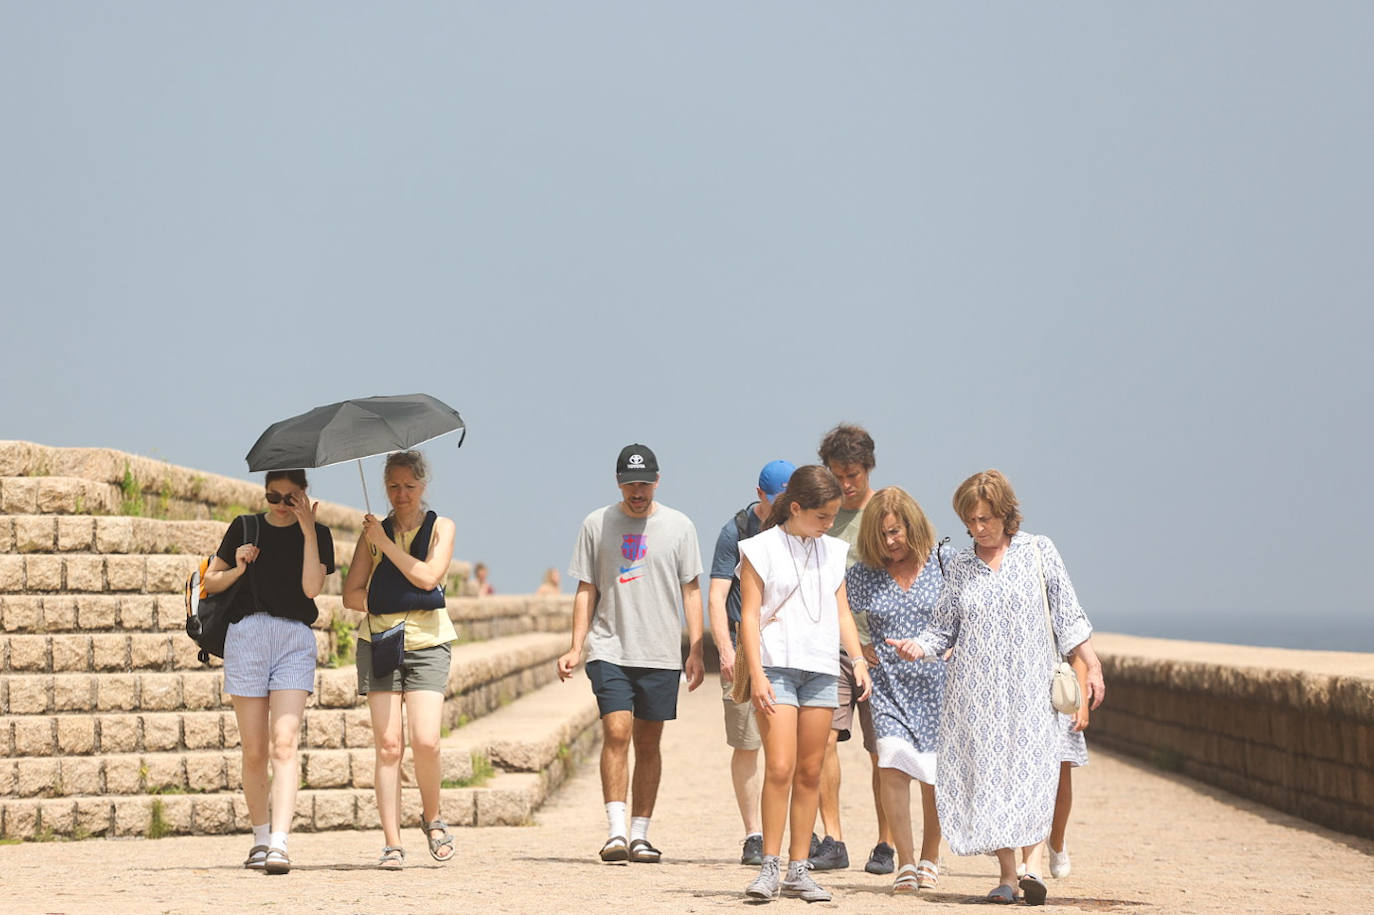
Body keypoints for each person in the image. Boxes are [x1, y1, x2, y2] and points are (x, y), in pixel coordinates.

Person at [887, 470, 1106, 906]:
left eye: (985, 518)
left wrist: (1092, 664)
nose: (978, 528)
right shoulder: (961, 566)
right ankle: (1008, 874)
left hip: (1032, 691)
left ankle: (1033, 867)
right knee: (989, 781)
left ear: (1006, 514)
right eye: (970, 521)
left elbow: (1068, 614)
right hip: (976, 696)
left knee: (1035, 774)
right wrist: (918, 646)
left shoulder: (1039, 551)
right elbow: (942, 629)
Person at [556, 443, 706, 864]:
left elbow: (691, 590)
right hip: (610, 647)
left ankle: (640, 834)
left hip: (660, 652)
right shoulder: (596, 524)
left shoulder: (680, 526)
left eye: (643, 484)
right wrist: (575, 646)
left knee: (649, 741)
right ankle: (616, 832)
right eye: (629, 484)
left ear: (657, 481)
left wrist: (696, 649)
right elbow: (586, 588)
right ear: (618, 483)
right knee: (617, 732)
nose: (636, 492)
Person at [739, 466, 872, 903]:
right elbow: (749, 617)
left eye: (833, 515)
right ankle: (769, 866)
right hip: (776, 667)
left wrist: (857, 660)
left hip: (821, 668)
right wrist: (757, 674)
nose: (829, 523)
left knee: (811, 770)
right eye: (821, 516)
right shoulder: (759, 548)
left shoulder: (833, 551)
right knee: (780, 767)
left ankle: (799, 869)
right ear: (795, 508)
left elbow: (842, 612)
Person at [202, 469, 334, 875]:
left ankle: (280, 842)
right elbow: (210, 581)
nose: (280, 505)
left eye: (290, 498)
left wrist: (308, 530)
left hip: (294, 640)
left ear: (304, 495)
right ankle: (260, 837)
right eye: (272, 497)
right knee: (255, 750)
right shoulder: (245, 527)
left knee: (284, 744)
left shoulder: (320, 534)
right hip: (248, 637)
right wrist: (239, 567)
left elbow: (311, 589)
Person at [342, 450, 458, 870]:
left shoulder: (441, 527)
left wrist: (385, 545)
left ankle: (433, 817)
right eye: (393, 486)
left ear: (423, 485)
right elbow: (351, 595)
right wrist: (388, 596)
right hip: (380, 641)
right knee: (389, 745)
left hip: (429, 642)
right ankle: (392, 842)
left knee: (426, 740)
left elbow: (428, 578)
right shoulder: (372, 534)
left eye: (409, 486)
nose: (401, 494)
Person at [845, 487, 955, 893]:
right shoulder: (863, 574)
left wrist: (954, 644)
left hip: (938, 686)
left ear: (912, 525)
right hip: (888, 686)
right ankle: (906, 862)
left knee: (933, 775)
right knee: (891, 765)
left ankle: (930, 857)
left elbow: (965, 611)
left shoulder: (944, 563)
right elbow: (838, 612)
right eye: (881, 534)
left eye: (895, 531)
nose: (890, 541)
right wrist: (860, 650)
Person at [809, 423, 891, 874]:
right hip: (829, 648)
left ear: (868, 468)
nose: (845, 484)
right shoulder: (820, 515)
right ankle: (833, 838)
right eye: (837, 475)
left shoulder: (886, 511)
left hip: (880, 650)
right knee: (823, 742)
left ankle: (886, 843)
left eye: (853, 475)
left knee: (883, 750)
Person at [706, 459, 795, 866]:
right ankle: (753, 833)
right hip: (744, 642)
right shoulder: (737, 531)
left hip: (788, 644)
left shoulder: (800, 529)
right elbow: (717, 595)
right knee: (747, 742)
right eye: (777, 500)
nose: (784, 507)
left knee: (791, 743)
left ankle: (796, 831)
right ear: (761, 495)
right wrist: (725, 650)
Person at [1019, 653, 1090, 880]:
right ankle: (1028, 857)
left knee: (1061, 779)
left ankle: (1057, 840)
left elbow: (1078, 653)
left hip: (1059, 695)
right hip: (1023, 697)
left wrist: (1082, 702)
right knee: (1025, 778)